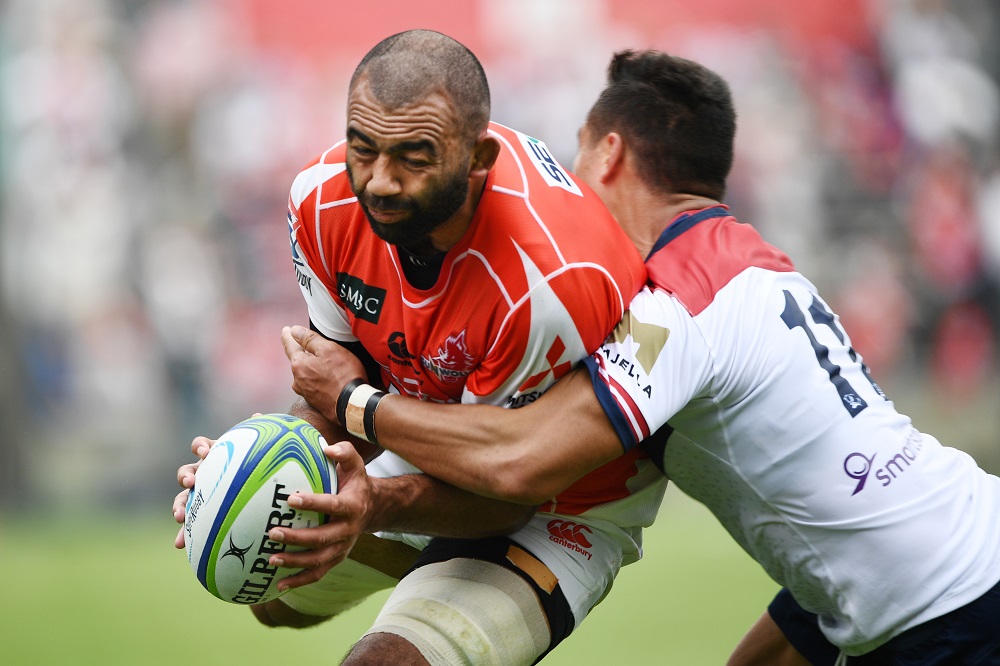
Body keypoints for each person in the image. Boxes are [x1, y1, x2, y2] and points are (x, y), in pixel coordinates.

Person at [280, 49, 1000, 665]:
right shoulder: (757, 263)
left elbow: (523, 461)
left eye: (579, 154)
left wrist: (355, 403)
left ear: (611, 154)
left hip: (953, 604)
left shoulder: (673, 306)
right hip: (918, 564)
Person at [173, 29, 669, 666]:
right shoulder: (320, 202)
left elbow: (505, 486)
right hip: (427, 427)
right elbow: (338, 397)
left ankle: (453, 585)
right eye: (364, 149)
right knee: (269, 595)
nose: (379, 182)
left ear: (479, 159)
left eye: (413, 157)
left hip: (559, 493)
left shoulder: (544, 283)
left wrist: (371, 501)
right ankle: (417, 564)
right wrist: (251, 474)